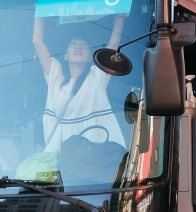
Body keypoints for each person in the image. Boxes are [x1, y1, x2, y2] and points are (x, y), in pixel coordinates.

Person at [32, 15, 127, 153]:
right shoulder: (56, 77)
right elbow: (37, 41)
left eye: (83, 45)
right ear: (65, 55)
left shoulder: (96, 76)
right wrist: (40, 11)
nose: (78, 47)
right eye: (74, 44)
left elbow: (112, 46)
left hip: (93, 156)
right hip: (60, 160)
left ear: (90, 57)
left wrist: (120, 14)